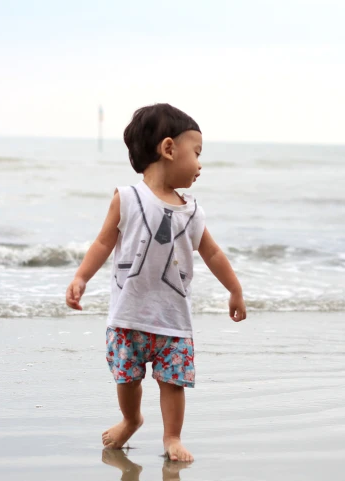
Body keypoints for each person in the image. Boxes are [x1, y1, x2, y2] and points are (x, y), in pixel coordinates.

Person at [66, 103, 246, 462]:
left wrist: (235, 288)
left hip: (172, 319)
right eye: (196, 153)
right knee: (127, 379)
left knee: (172, 382)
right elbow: (104, 242)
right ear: (168, 149)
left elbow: (211, 253)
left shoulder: (191, 210)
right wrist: (81, 276)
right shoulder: (128, 198)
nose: (199, 164)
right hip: (128, 315)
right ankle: (131, 420)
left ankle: (172, 438)